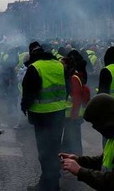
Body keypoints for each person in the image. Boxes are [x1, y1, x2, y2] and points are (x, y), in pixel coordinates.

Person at [21, 41, 68, 191]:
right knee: (55, 149)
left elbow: (28, 92)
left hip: (41, 116)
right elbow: (68, 87)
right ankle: (54, 181)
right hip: (59, 113)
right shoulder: (59, 65)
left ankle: (47, 184)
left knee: (44, 152)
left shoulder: (35, 68)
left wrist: (24, 107)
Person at [62, 50, 90, 157]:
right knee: (72, 138)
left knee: (73, 139)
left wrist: (73, 115)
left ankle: (75, 159)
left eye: (63, 64)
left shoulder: (73, 78)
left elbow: (76, 98)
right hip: (73, 114)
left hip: (73, 115)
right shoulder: (74, 75)